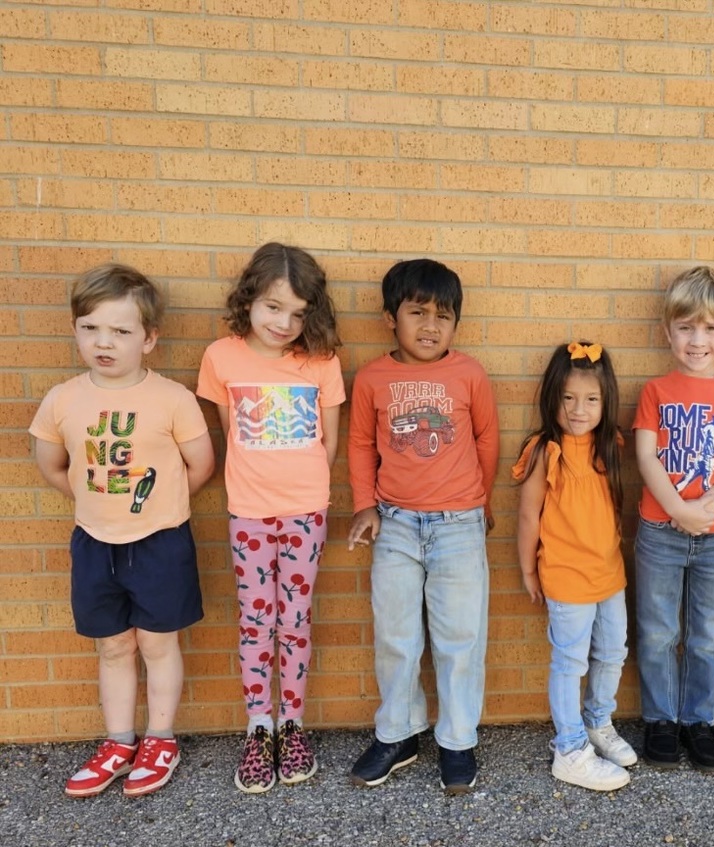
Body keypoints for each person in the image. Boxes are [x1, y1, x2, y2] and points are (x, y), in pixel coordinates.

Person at [30, 264, 215, 798]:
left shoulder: (171, 398)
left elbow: (200, 465)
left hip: (159, 540)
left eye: (120, 331)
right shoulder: (63, 399)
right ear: (75, 331)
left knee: (158, 643)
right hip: (94, 541)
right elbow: (53, 467)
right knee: (112, 647)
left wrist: (158, 507)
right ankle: (119, 741)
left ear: (149, 339)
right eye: (90, 328)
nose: (103, 342)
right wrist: (95, 503)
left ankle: (160, 738)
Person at [346, 258, 499, 795]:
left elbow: (485, 439)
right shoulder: (372, 378)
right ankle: (399, 733)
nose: (431, 326)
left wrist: (479, 501)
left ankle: (457, 740)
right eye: (418, 313)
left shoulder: (469, 374)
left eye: (444, 316)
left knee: (460, 637)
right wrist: (364, 504)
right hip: (395, 525)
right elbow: (362, 444)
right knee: (396, 635)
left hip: (458, 524)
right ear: (391, 317)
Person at [197, 243, 345, 793]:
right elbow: (229, 430)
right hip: (249, 513)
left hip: (305, 512)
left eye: (299, 312)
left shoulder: (323, 362)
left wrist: (303, 488)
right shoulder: (221, 357)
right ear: (249, 301)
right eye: (273, 307)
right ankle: (259, 728)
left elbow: (327, 443)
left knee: (296, 619)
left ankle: (292, 725)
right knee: (257, 621)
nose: (285, 323)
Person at [632, 266, 714, 773]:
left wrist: (705, 511)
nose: (697, 339)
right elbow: (645, 456)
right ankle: (661, 720)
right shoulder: (655, 391)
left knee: (707, 633)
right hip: (660, 532)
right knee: (658, 631)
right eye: (686, 327)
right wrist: (679, 509)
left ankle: (698, 721)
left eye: (710, 329)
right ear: (668, 332)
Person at [514, 342, 635, 792]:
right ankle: (569, 746)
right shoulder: (547, 450)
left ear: (606, 402)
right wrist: (528, 570)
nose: (579, 410)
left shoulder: (611, 446)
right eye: (568, 398)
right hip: (565, 575)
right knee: (569, 661)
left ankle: (598, 721)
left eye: (591, 400)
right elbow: (528, 515)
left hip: (609, 575)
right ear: (553, 398)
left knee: (612, 651)